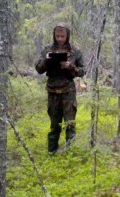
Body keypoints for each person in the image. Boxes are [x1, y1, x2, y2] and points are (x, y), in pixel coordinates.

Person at [35, 24, 85, 154]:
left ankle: (70, 153)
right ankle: (52, 152)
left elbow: (83, 71)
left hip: (68, 90)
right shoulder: (47, 49)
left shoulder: (75, 51)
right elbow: (39, 69)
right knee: (54, 124)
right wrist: (46, 61)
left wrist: (71, 67)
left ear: (67, 35)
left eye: (62, 36)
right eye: (57, 36)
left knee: (69, 123)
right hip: (52, 90)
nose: (60, 39)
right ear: (54, 35)